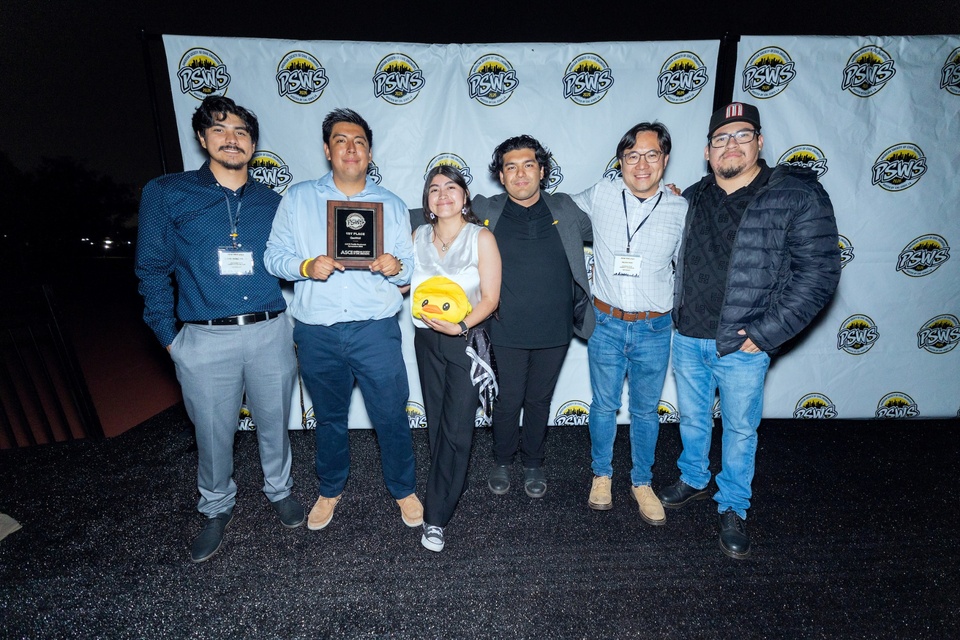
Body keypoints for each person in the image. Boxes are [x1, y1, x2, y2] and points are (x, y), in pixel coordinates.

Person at [659, 102, 840, 559]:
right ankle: (695, 476)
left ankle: (734, 504)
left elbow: (818, 274)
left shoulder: (796, 193)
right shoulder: (695, 195)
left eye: (742, 135)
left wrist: (767, 332)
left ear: (759, 142)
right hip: (687, 334)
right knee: (694, 419)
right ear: (707, 151)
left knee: (740, 429)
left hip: (743, 342)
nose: (731, 145)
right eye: (721, 138)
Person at [135, 96, 303, 563]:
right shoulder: (168, 192)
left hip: (270, 328)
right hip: (204, 336)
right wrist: (171, 339)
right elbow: (150, 269)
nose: (232, 139)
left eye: (242, 132)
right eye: (221, 129)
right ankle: (215, 507)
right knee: (212, 431)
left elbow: (293, 260)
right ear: (202, 137)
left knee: (276, 421)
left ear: (253, 143)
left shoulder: (273, 201)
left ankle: (280, 489)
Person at [264, 108, 422, 532]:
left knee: (391, 414)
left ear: (370, 152)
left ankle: (404, 490)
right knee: (330, 418)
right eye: (340, 140)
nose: (350, 149)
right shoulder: (297, 199)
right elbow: (272, 257)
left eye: (359, 142)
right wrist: (304, 265)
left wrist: (395, 266)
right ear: (327, 149)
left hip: (375, 329)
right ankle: (330, 489)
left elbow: (410, 268)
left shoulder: (389, 203)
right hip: (318, 331)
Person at [570, 122, 687, 524]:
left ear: (665, 160)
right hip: (606, 322)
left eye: (651, 155)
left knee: (644, 411)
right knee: (603, 405)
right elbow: (551, 213)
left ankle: (642, 482)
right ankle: (601, 475)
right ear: (620, 161)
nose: (641, 164)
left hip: (655, 328)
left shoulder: (681, 207)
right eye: (632, 156)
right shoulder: (600, 194)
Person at [470, 135, 593, 499]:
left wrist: (661, 194)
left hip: (554, 328)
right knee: (507, 399)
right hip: (503, 326)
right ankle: (502, 460)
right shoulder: (484, 209)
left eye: (528, 165)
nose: (520, 174)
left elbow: (610, 222)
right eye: (511, 167)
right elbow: (437, 214)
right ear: (501, 176)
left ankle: (535, 462)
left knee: (539, 400)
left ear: (542, 171)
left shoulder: (566, 210)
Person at [412, 166, 501, 552]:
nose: (443, 194)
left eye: (451, 187)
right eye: (435, 189)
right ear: (428, 201)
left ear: (464, 197)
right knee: (437, 423)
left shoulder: (481, 237)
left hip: (465, 339)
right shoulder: (417, 236)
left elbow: (491, 299)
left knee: (457, 425)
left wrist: (460, 326)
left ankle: (436, 515)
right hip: (425, 341)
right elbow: (403, 281)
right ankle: (450, 480)